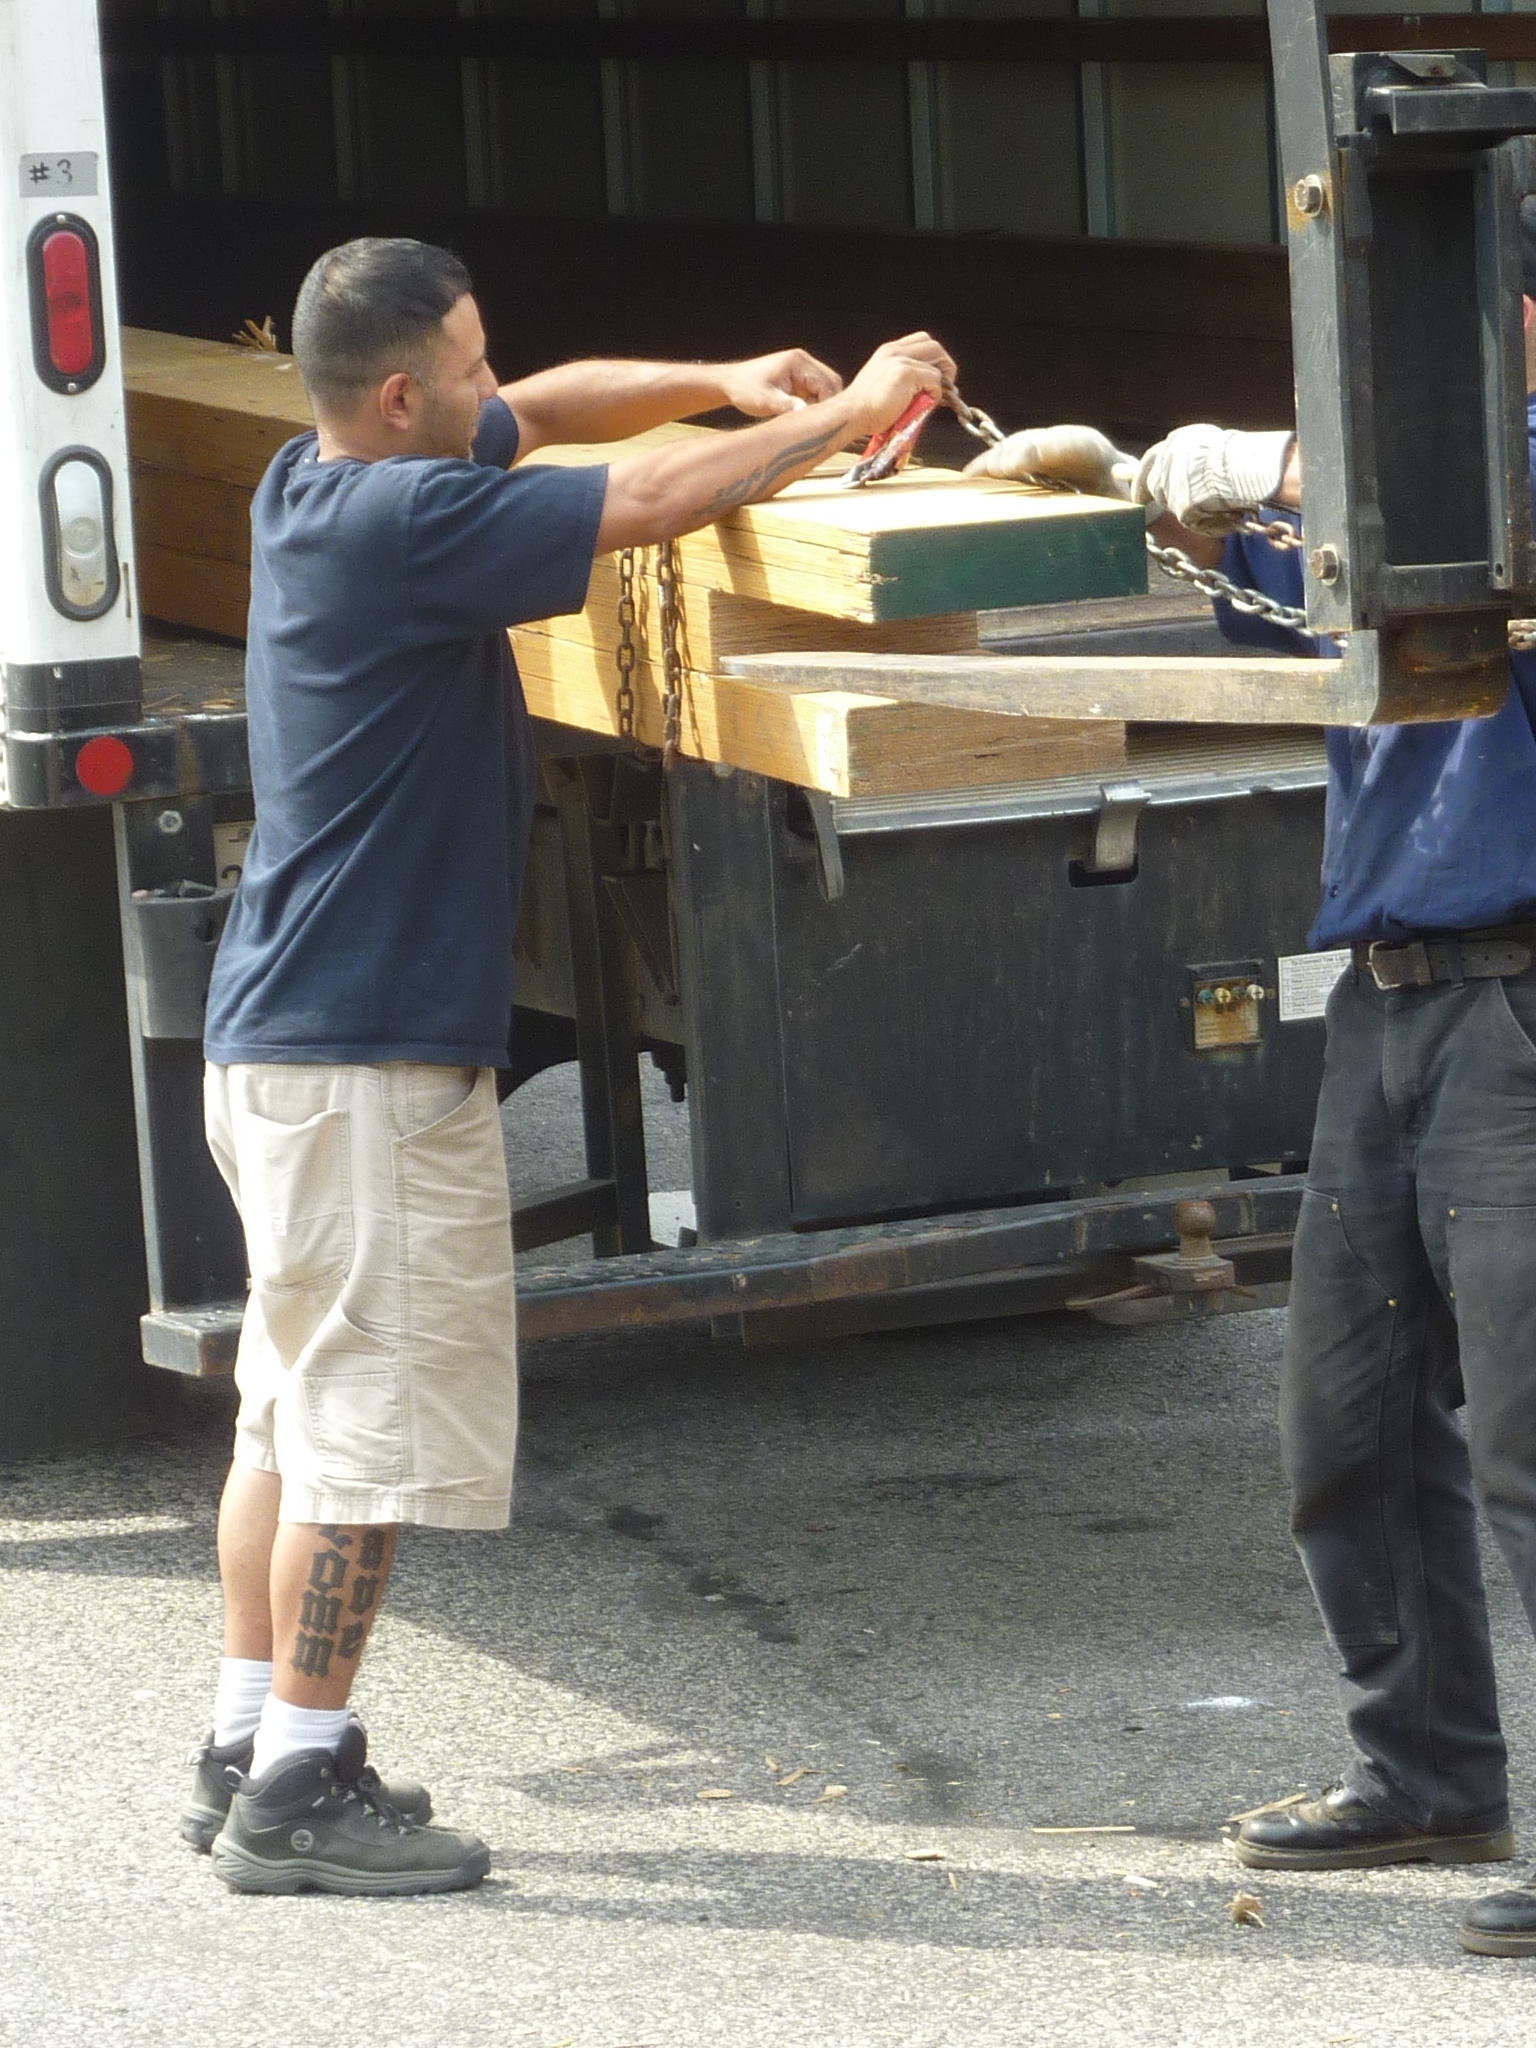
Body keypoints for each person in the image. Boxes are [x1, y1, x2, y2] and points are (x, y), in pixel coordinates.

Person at [182, 233, 955, 1897]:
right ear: (398, 396)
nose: (492, 387)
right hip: (369, 1067)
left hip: (285, 1050)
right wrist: (838, 420)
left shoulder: (311, 478)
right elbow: (645, 505)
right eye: (460, 367)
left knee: (290, 1424)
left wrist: (728, 376)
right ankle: (297, 1796)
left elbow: (548, 412)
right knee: (366, 1444)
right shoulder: (411, 524)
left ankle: (250, 1733)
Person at [970, 230, 1536, 1958]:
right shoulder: (1369, 498)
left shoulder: (1503, 476)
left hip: (1521, 995)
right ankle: (1427, 1766)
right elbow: (1253, 574)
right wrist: (1141, 486)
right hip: (1388, 995)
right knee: (1350, 1425)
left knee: (1530, 1438)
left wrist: (1259, 460)